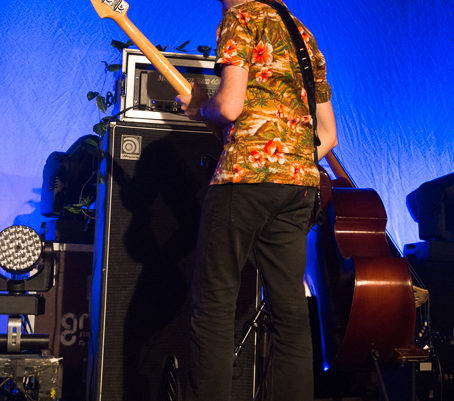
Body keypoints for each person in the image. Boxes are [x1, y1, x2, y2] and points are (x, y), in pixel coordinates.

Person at [175, 0, 337, 400]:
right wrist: (286, 160)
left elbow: (229, 107)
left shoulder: (241, 17)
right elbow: (329, 135)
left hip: (243, 180)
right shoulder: (303, 34)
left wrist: (200, 108)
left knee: (215, 306)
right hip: (298, 184)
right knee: (290, 315)